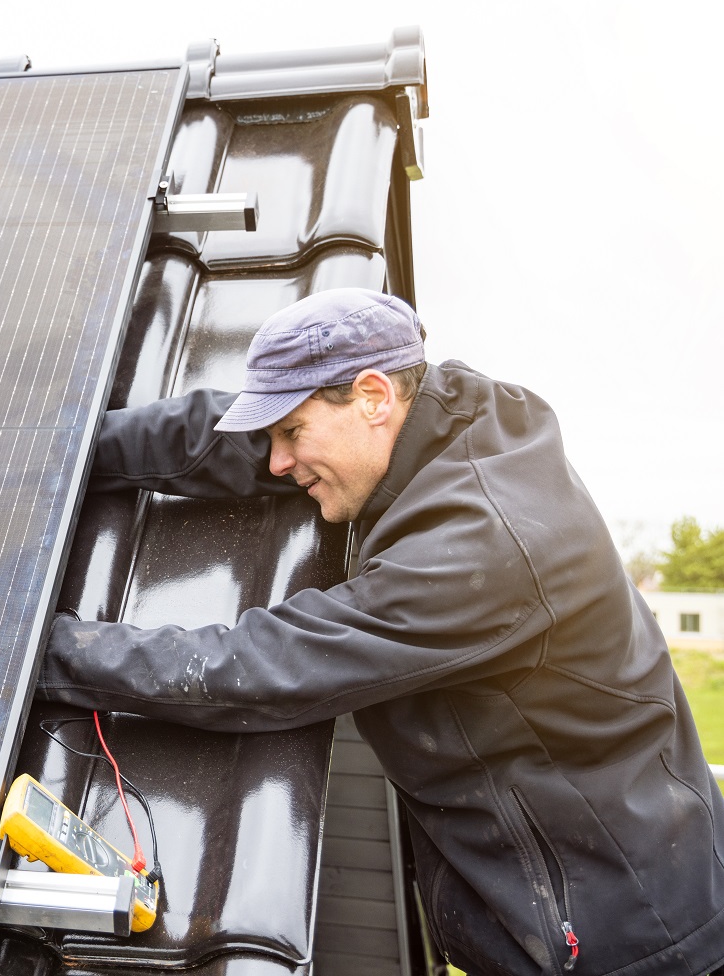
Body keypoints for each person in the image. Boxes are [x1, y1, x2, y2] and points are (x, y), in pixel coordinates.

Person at [37, 288, 724, 976]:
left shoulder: (484, 547)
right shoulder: (427, 425)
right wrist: (64, 450)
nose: (277, 462)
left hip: (629, 936)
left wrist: (43, 649)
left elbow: (269, 667)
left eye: (291, 434)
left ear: (372, 397)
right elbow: (233, 440)